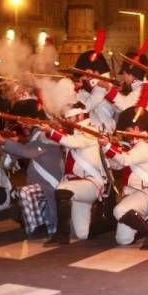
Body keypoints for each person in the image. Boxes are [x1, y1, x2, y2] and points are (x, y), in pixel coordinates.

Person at [0, 106, 64, 238]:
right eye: (21, 122)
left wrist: (3, 141)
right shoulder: (32, 140)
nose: (23, 125)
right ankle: (37, 226)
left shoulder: (44, 136)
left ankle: (38, 228)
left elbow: (27, 152)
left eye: (25, 122)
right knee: (16, 194)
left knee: (25, 192)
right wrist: (7, 144)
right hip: (41, 185)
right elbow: (7, 163)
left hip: (51, 185)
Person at [39, 103, 108, 245]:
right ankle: (109, 226)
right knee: (82, 234)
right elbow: (52, 140)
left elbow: (75, 143)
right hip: (76, 184)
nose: (68, 120)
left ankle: (61, 234)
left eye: (71, 117)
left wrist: (51, 132)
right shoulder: (73, 132)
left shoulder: (90, 130)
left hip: (91, 182)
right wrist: (48, 130)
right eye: (67, 118)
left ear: (81, 115)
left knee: (62, 190)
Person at [99, 107, 148, 249]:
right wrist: (109, 152)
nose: (125, 133)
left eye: (127, 129)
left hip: (147, 193)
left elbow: (125, 160)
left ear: (136, 128)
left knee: (118, 210)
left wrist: (108, 147)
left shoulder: (146, 146)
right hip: (134, 194)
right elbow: (118, 166)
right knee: (123, 239)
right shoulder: (135, 146)